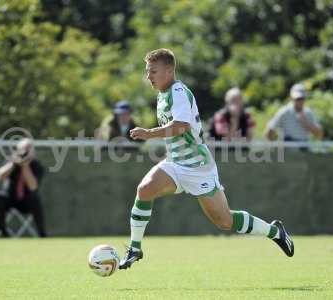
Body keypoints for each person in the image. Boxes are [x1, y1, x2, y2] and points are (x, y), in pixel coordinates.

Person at [119, 48, 294, 270]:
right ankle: (135, 248)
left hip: (198, 167)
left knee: (225, 221)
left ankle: (274, 231)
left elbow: (181, 127)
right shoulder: (162, 95)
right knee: (144, 189)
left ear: (169, 70)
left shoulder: (179, 91)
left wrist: (148, 133)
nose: (148, 76)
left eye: (153, 71)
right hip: (175, 163)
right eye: (147, 72)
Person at [0, 138, 47, 237]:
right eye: (24, 149)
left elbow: (33, 187)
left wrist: (25, 165)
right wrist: (13, 163)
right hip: (10, 198)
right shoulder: (10, 162)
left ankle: (42, 234)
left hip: (27, 201)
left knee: (35, 198)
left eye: (29, 149)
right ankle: (4, 232)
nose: (26, 152)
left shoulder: (37, 166)